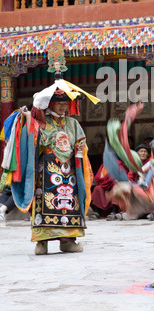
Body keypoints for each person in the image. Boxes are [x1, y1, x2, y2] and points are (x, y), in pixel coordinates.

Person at [1, 67, 99, 255]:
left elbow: (81, 142)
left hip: (69, 172)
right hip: (45, 172)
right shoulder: (40, 122)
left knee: (69, 203)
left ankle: (68, 240)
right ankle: (42, 242)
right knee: (44, 203)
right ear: (49, 104)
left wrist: (80, 148)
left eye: (65, 103)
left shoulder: (73, 123)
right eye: (58, 103)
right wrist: (26, 119)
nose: (63, 106)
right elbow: (31, 143)